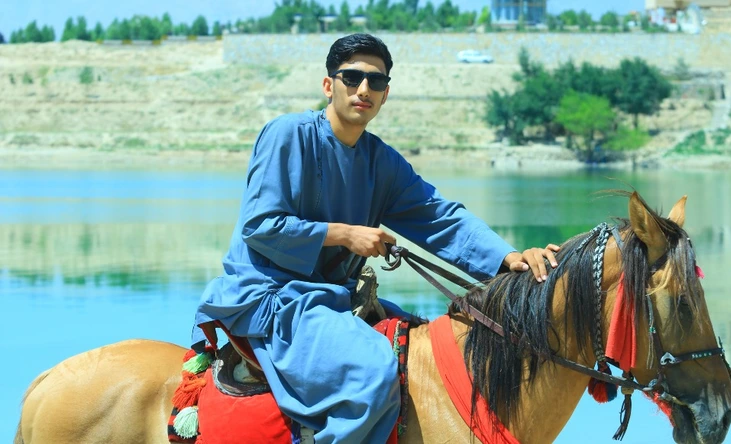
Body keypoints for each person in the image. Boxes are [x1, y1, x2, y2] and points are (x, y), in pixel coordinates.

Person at [191, 33, 558, 443]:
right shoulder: (288, 134)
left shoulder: (381, 161)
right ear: (329, 85)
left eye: (376, 81)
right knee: (373, 373)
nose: (364, 89)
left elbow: (438, 215)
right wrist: (345, 235)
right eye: (352, 78)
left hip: (335, 297)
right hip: (270, 295)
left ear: (385, 94)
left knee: (427, 349)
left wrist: (508, 257)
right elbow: (260, 226)